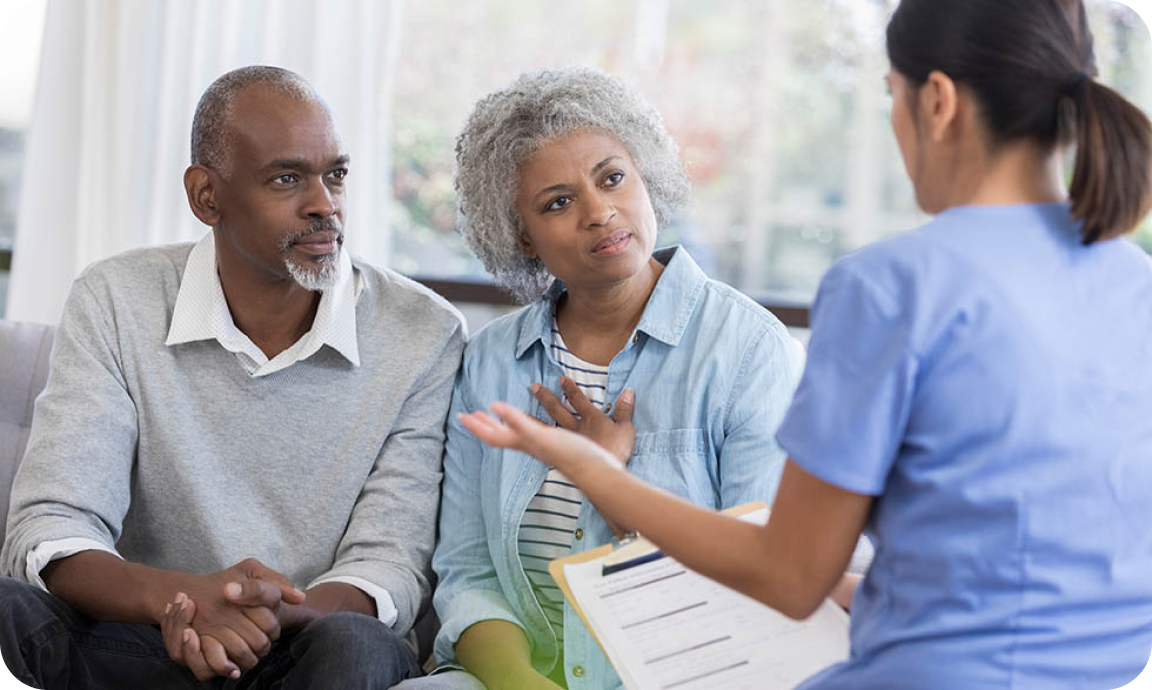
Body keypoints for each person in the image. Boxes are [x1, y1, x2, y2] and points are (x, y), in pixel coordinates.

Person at [458, 1, 1152, 688]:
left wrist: (597, 472)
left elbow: (788, 577)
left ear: (936, 101)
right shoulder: (1135, 280)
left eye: (892, 97)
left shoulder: (887, 288)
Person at [0, 65, 465, 688]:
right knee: (7, 611)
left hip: (307, 647)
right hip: (143, 640)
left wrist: (264, 614)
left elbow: (390, 563)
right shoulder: (116, 297)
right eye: (286, 178)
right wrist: (188, 601)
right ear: (206, 196)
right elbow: (53, 524)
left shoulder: (423, 331)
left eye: (335, 175)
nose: (324, 204)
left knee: (359, 646)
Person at [408, 67, 863, 690]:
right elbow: (468, 571)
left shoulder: (750, 350)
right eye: (557, 202)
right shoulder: (488, 361)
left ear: (646, 177)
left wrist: (612, 487)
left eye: (613, 177)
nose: (600, 212)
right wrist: (522, 683)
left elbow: (763, 580)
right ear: (522, 235)